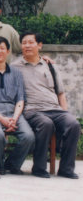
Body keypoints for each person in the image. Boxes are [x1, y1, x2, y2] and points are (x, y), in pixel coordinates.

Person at [12, 32, 80, 179]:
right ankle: (39, 167)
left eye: (31, 42)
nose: (27, 46)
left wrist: (65, 112)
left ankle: (66, 169)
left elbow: (60, 93)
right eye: (24, 43)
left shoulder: (50, 66)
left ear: (40, 45)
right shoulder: (14, 67)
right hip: (32, 110)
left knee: (73, 124)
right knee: (46, 124)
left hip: (54, 108)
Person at [0, 36, 34, 175]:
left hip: (14, 111)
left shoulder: (16, 73)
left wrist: (14, 118)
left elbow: (20, 99)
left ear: (8, 51)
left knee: (28, 136)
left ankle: (12, 164)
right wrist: (1, 119)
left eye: (2, 48)